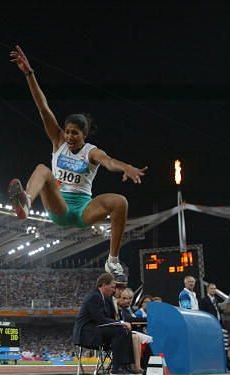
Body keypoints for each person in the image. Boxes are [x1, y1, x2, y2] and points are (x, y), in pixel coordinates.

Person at [8, 45, 148, 279]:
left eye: (75, 133)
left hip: (83, 209)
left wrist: (127, 167)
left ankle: (112, 260)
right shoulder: (58, 141)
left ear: (85, 136)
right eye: (68, 131)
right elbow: (43, 108)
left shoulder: (92, 152)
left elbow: (109, 161)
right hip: (59, 206)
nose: (70, 137)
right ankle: (26, 201)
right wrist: (29, 73)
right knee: (43, 169)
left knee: (120, 202)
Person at [73, 272, 135, 375]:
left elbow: (107, 319)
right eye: (112, 287)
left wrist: (120, 323)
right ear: (103, 285)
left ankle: (125, 366)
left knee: (125, 331)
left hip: (97, 329)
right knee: (119, 330)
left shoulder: (105, 298)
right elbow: (100, 319)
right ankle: (116, 368)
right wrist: (121, 323)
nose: (113, 290)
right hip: (87, 333)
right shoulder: (94, 297)